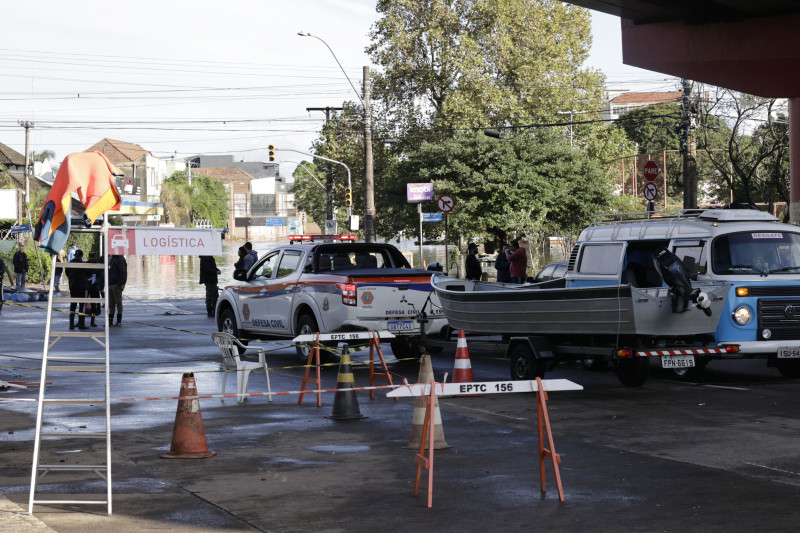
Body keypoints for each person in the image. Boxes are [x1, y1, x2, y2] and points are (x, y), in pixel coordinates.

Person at [67, 249, 89, 330]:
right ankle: (81, 324)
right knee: (82, 306)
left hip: (73, 287)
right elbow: (88, 273)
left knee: (73, 306)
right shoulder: (84, 265)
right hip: (82, 287)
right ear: (82, 256)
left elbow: (67, 273)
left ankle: (71, 324)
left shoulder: (70, 264)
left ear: (75, 255)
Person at [108, 254, 127, 326]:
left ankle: (119, 321)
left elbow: (123, 272)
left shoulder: (120, 260)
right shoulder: (112, 259)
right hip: (111, 284)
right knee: (111, 303)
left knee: (118, 303)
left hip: (116, 284)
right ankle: (110, 321)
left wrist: (121, 284)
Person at [85, 251, 103, 327]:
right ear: (89, 257)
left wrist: (96, 282)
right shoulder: (85, 264)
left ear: (95, 257)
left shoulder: (98, 265)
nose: (92, 258)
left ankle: (92, 321)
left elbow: (101, 276)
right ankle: (81, 322)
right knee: (83, 303)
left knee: (93, 305)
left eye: (93, 256)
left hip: (95, 287)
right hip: (87, 287)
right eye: (91, 256)